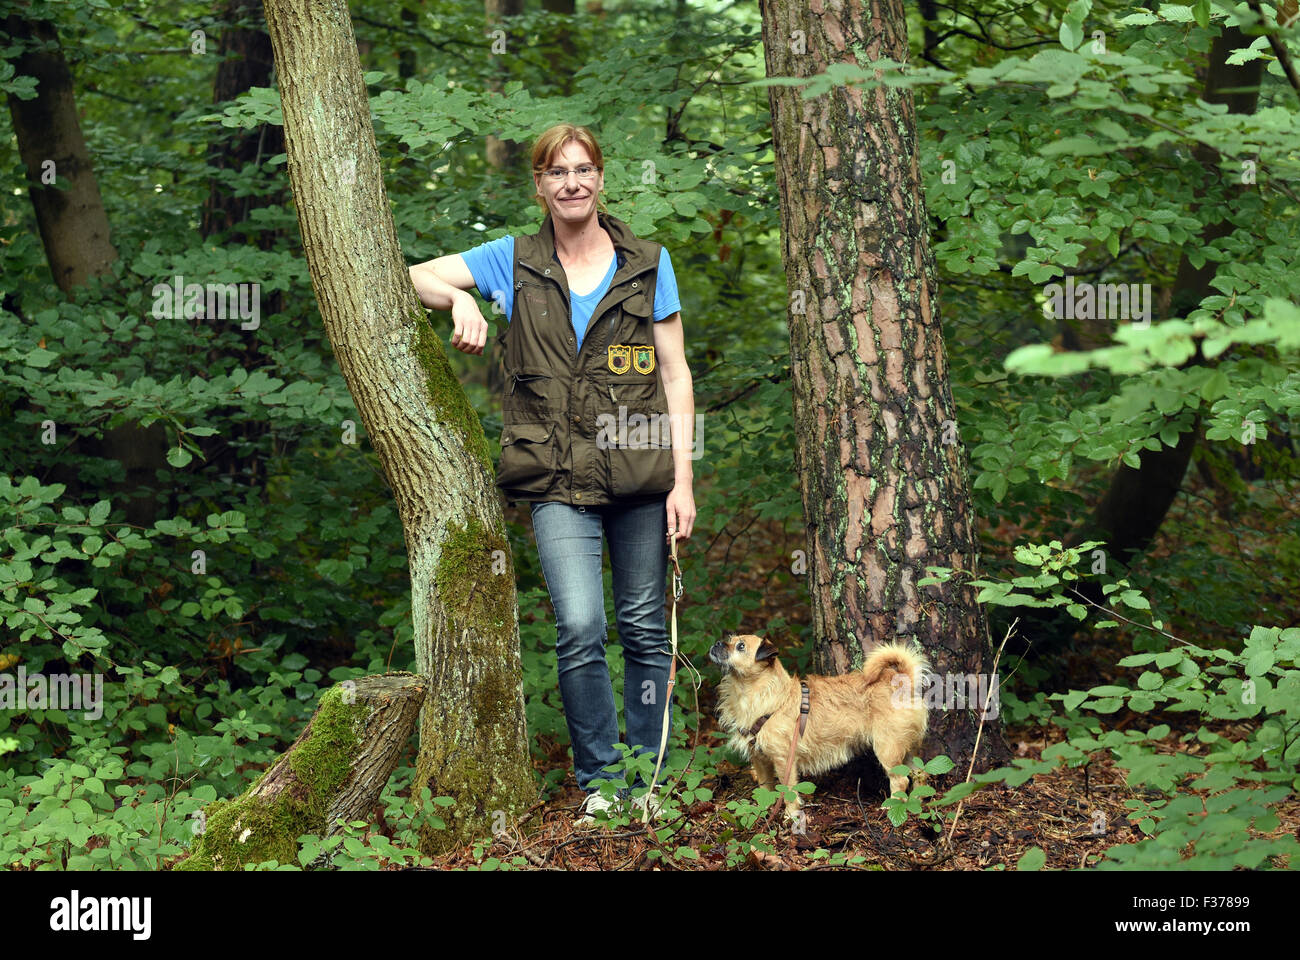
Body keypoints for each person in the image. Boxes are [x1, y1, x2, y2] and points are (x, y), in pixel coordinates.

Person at [408, 123, 697, 825]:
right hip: (554, 480)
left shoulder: (648, 263)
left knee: (645, 629)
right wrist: (464, 299)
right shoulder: (515, 259)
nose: (571, 182)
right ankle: (600, 781)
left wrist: (683, 480)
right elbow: (418, 275)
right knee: (579, 623)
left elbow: (675, 373)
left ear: (601, 178)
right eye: (556, 172)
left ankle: (645, 778)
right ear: (538, 184)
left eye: (583, 169)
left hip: (638, 472)